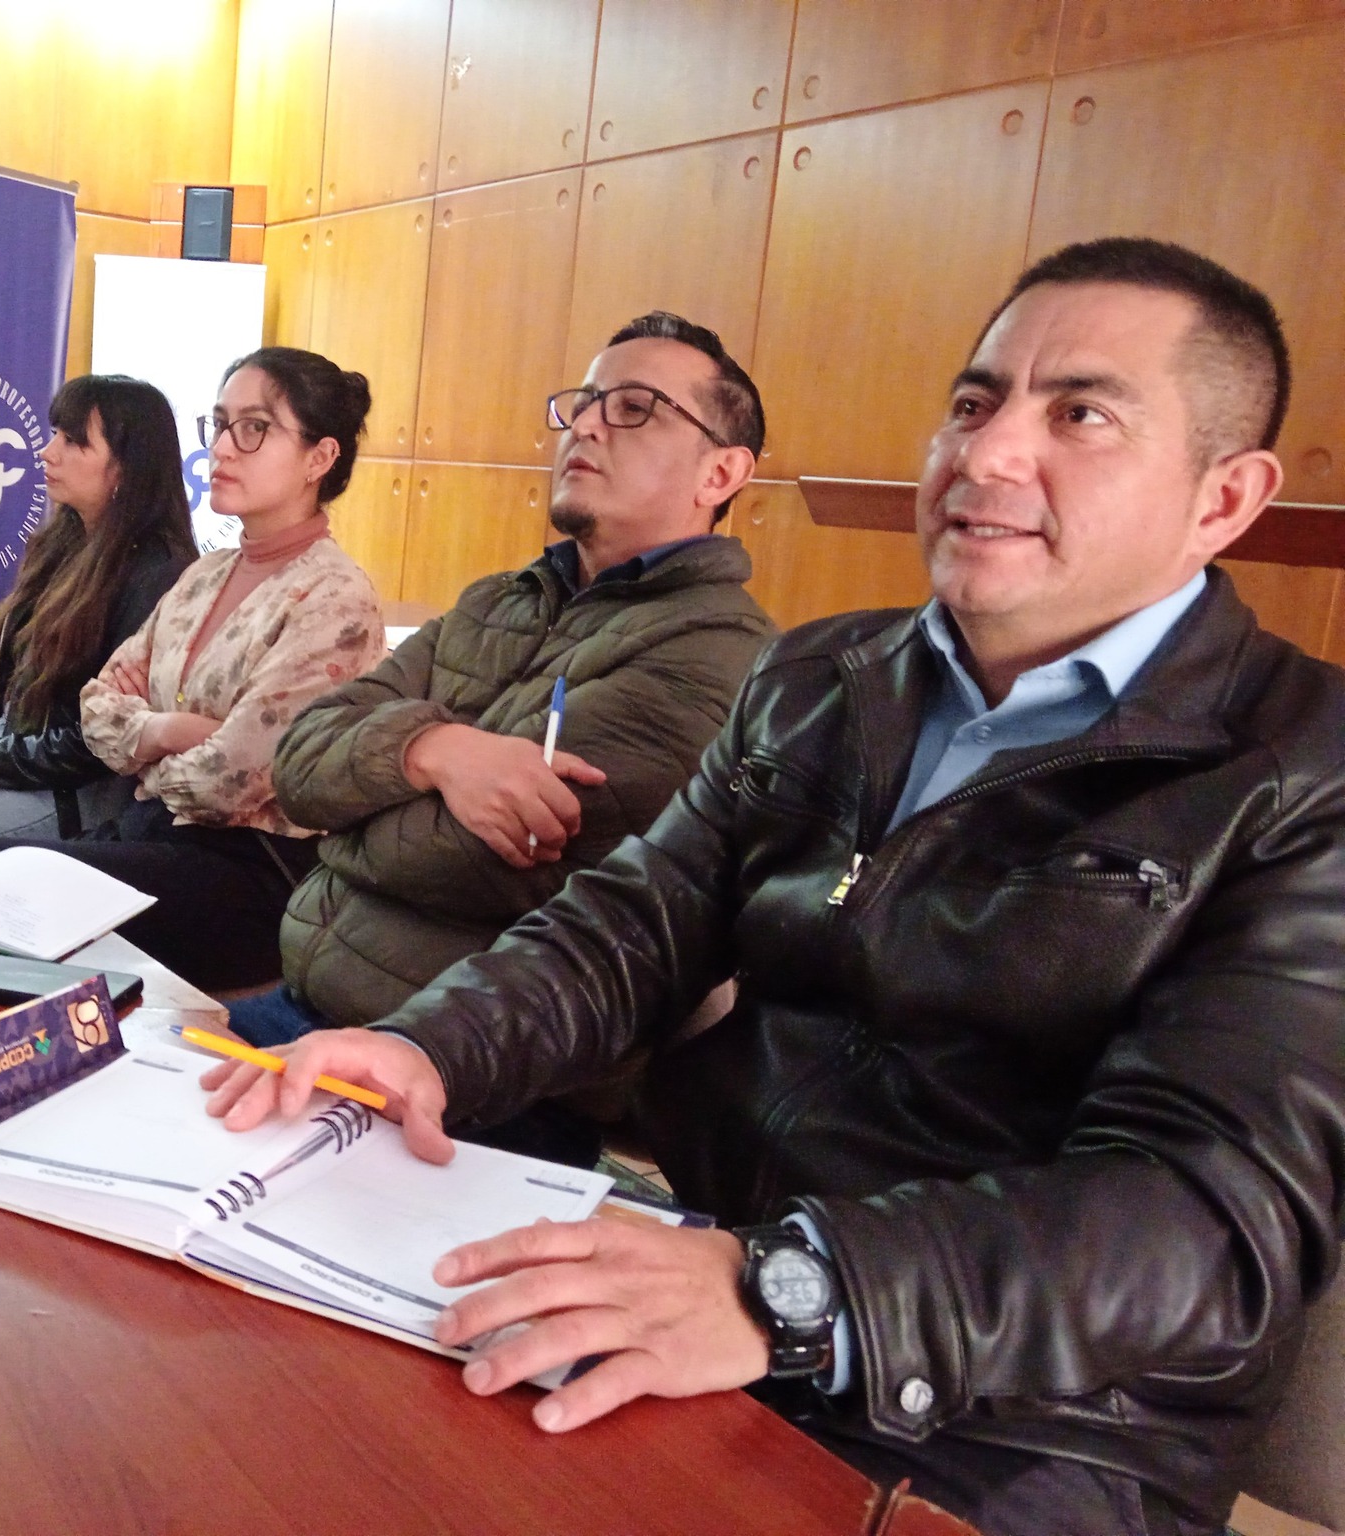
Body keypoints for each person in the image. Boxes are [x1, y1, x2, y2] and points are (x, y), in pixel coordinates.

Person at [202, 239, 1345, 1536]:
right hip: (701, 1269)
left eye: (1079, 414)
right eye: (973, 402)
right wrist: (427, 1046)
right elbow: (631, 925)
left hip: (1027, 1429)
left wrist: (786, 1291)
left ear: (1224, 497)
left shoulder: (1301, 774)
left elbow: (1205, 1218)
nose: (986, 453)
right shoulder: (821, 679)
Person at [233, 312, 775, 1061]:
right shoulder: (498, 600)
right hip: (302, 1002)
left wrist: (345, 821)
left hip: (468, 1063)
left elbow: (488, 859)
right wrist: (431, 750)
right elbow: (296, 766)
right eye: (584, 402)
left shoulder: (717, 648)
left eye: (634, 407)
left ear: (721, 473)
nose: (586, 425)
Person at [0, 347, 387, 991]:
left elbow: (229, 782)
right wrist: (173, 730)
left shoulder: (335, 598)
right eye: (220, 424)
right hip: (153, 834)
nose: (222, 449)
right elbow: (99, 708)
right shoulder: (205, 574)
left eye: (253, 428)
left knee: (7, 879)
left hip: (248, 875)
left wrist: (146, 750)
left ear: (320, 458)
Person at [0, 375, 196, 839]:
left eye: (73, 441)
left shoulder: (159, 575)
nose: (47, 451)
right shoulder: (63, 544)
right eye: (56, 433)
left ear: (126, 467)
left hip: (72, 794)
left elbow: (98, 741)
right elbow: (19, 691)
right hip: (10, 761)